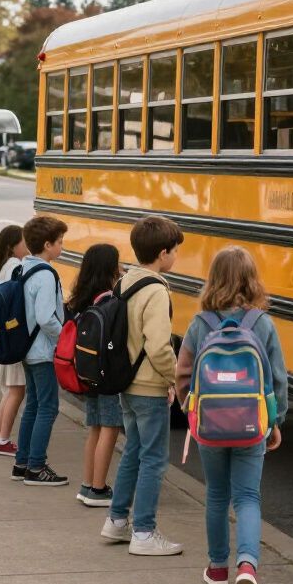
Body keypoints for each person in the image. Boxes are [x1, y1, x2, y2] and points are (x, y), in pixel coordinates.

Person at [176, 246, 286, 584]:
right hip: (252, 423)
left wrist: (191, 413)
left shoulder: (200, 324)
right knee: (248, 497)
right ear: (251, 279)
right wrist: (275, 421)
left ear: (213, 280)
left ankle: (218, 569)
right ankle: (248, 567)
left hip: (210, 425)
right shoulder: (262, 324)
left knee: (217, 496)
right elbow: (277, 379)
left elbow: (183, 375)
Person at [100, 215, 185, 555]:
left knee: (133, 453)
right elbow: (159, 347)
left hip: (126, 384)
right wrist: (175, 379)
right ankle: (145, 532)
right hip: (149, 387)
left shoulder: (125, 282)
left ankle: (117, 520)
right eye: (175, 251)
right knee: (153, 459)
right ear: (163, 253)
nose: (176, 257)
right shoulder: (156, 290)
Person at [11, 214, 68, 486]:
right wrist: (65, 337)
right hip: (43, 351)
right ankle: (36, 466)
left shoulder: (23, 268)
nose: (62, 247)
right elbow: (46, 317)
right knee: (48, 407)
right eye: (59, 242)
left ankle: (22, 461)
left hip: (25, 347)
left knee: (32, 405)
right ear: (47, 244)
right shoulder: (46, 274)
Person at [67, 243, 124, 507]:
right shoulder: (111, 300)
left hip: (87, 372)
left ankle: (87, 484)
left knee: (95, 428)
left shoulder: (81, 298)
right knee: (110, 429)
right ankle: (99, 489)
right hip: (107, 376)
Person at [0, 225, 28, 457]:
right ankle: (3, 439)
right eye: (24, 241)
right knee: (16, 391)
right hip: (12, 337)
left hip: (1, 335)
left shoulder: (2, 266)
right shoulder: (16, 266)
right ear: (13, 245)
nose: (28, 244)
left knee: (8, 391)